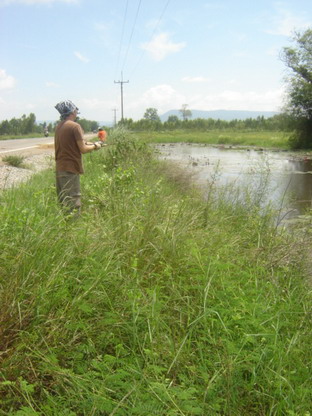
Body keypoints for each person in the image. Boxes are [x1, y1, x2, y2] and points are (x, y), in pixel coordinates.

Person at [54, 100, 101, 214]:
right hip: (71, 170)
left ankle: (64, 229)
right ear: (72, 111)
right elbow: (83, 149)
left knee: (63, 203)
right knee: (73, 203)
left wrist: (91, 144)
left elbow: (76, 145)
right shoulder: (75, 126)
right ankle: (73, 229)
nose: (77, 112)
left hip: (60, 169)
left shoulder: (59, 126)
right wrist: (95, 146)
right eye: (76, 110)